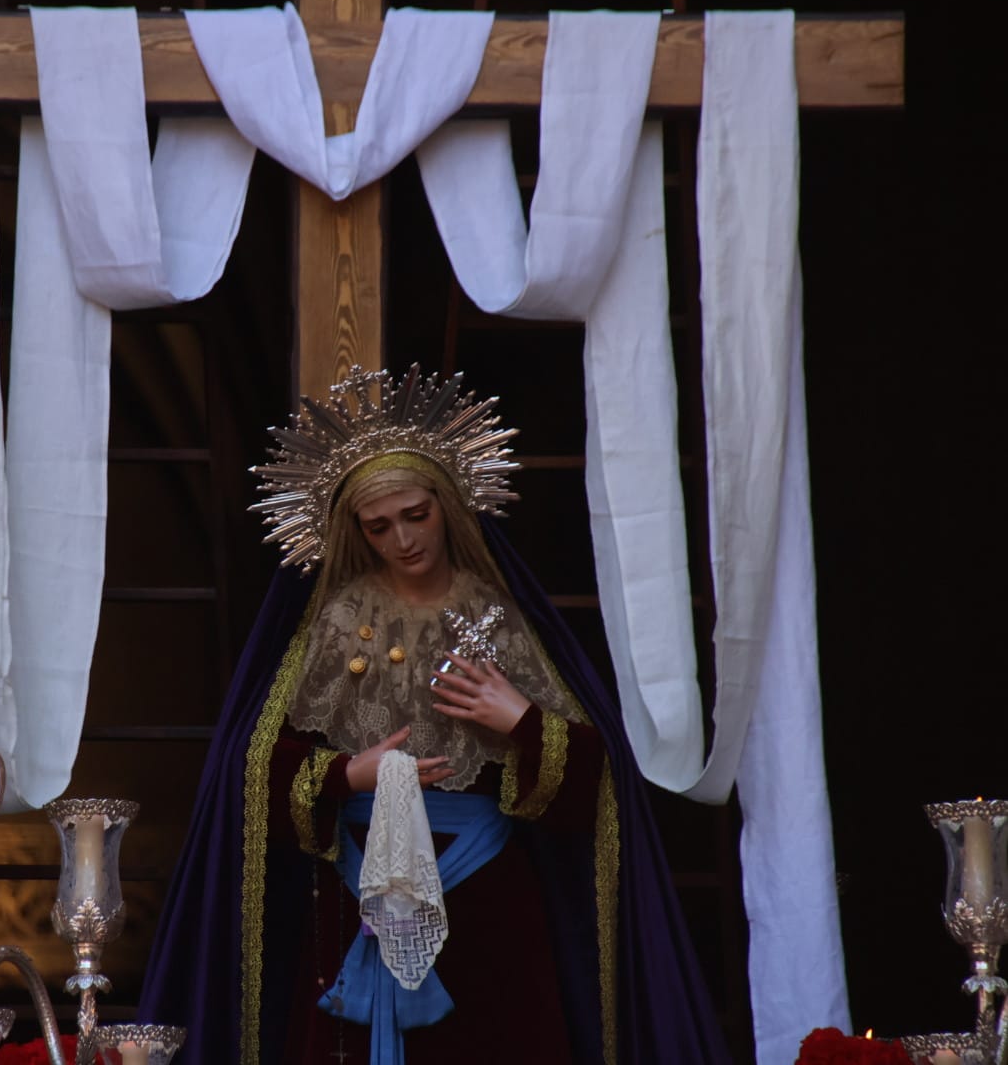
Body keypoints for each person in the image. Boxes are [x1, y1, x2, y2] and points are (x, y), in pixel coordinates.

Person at [137, 366, 731, 1064]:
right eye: (379, 526)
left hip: (487, 902)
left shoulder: (499, 618)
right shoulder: (338, 621)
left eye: (416, 514)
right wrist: (345, 775)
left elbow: (592, 789)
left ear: (448, 502)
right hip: (360, 890)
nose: (403, 540)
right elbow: (256, 771)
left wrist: (521, 724)